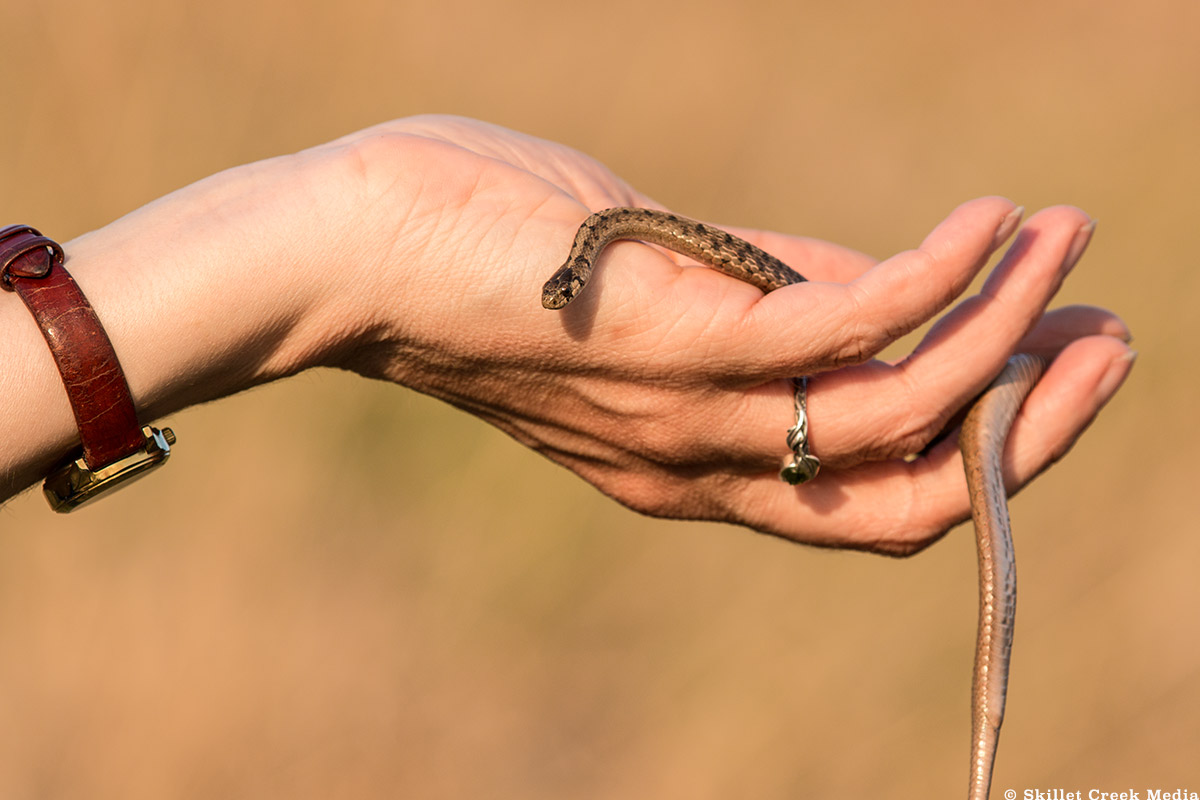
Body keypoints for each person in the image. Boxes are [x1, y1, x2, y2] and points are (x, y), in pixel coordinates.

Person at [0, 116, 1133, 553]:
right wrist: (344, 241)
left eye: (571, 279)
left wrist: (340, 233)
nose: (570, 288)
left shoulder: (607, 242)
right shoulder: (584, 252)